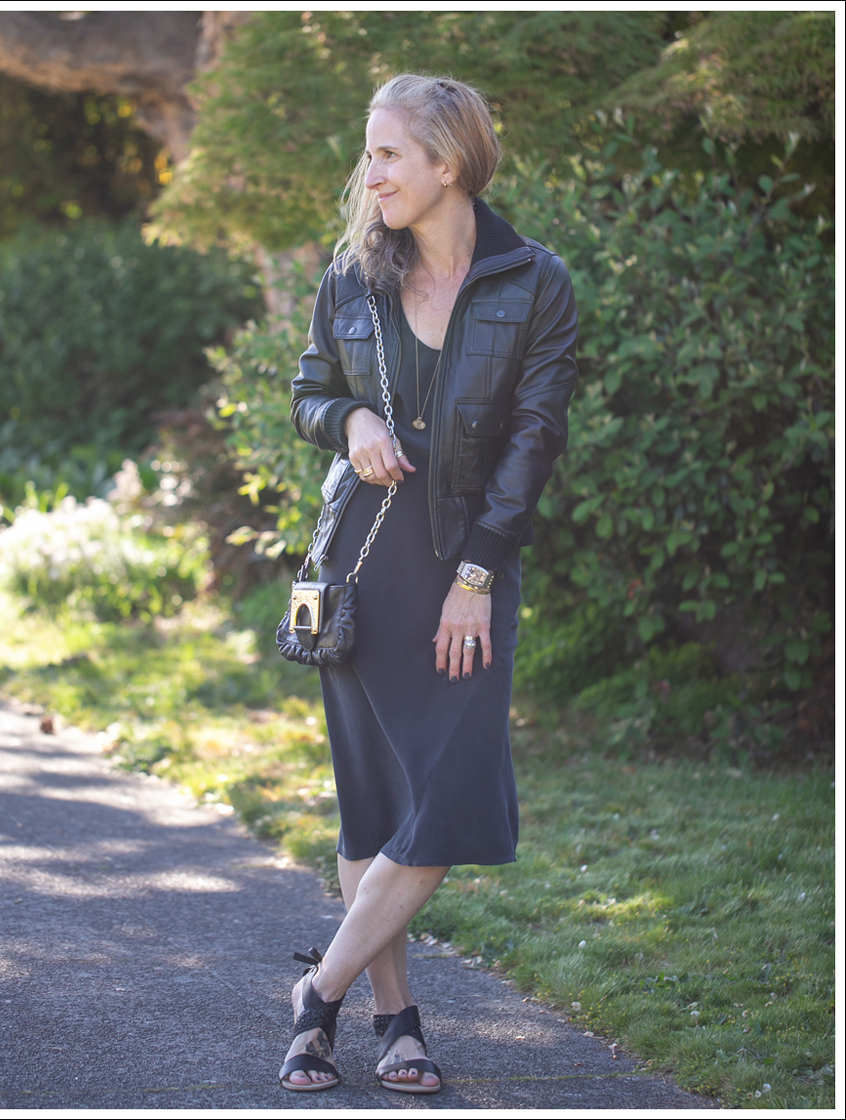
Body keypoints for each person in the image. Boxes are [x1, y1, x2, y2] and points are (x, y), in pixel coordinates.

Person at [279, 74, 578, 1094]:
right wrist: (352, 420)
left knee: (448, 801)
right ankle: (395, 1020)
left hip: (466, 567)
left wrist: (477, 573)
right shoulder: (351, 275)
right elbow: (310, 391)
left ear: (447, 163)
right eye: (368, 153)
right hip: (361, 560)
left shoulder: (536, 281)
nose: (369, 173)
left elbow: (535, 438)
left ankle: (317, 992)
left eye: (388, 153)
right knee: (375, 807)